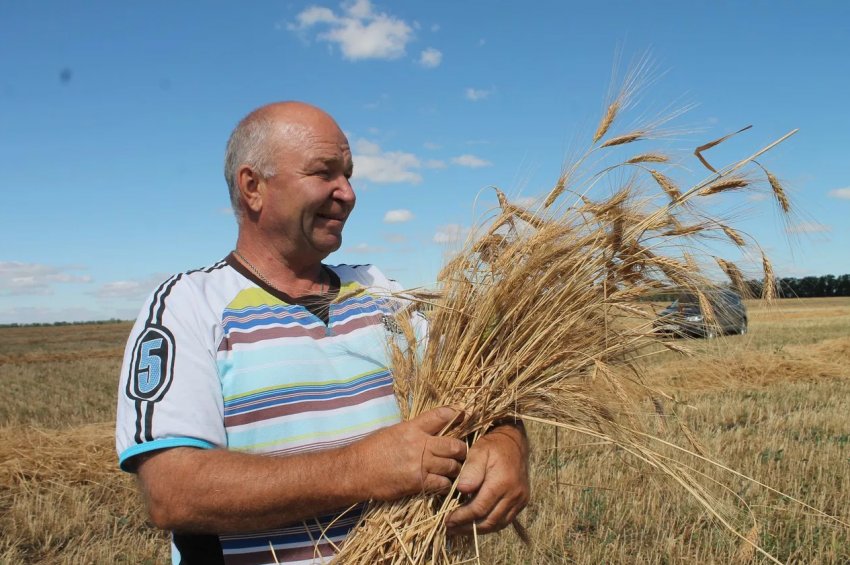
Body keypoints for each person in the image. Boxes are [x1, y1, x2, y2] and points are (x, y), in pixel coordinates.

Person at [115, 102, 529, 565]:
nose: (348, 193)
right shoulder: (189, 306)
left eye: (348, 175)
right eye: (323, 172)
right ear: (253, 187)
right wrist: (359, 470)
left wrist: (507, 443)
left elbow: (485, 388)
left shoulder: (382, 291)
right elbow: (173, 491)